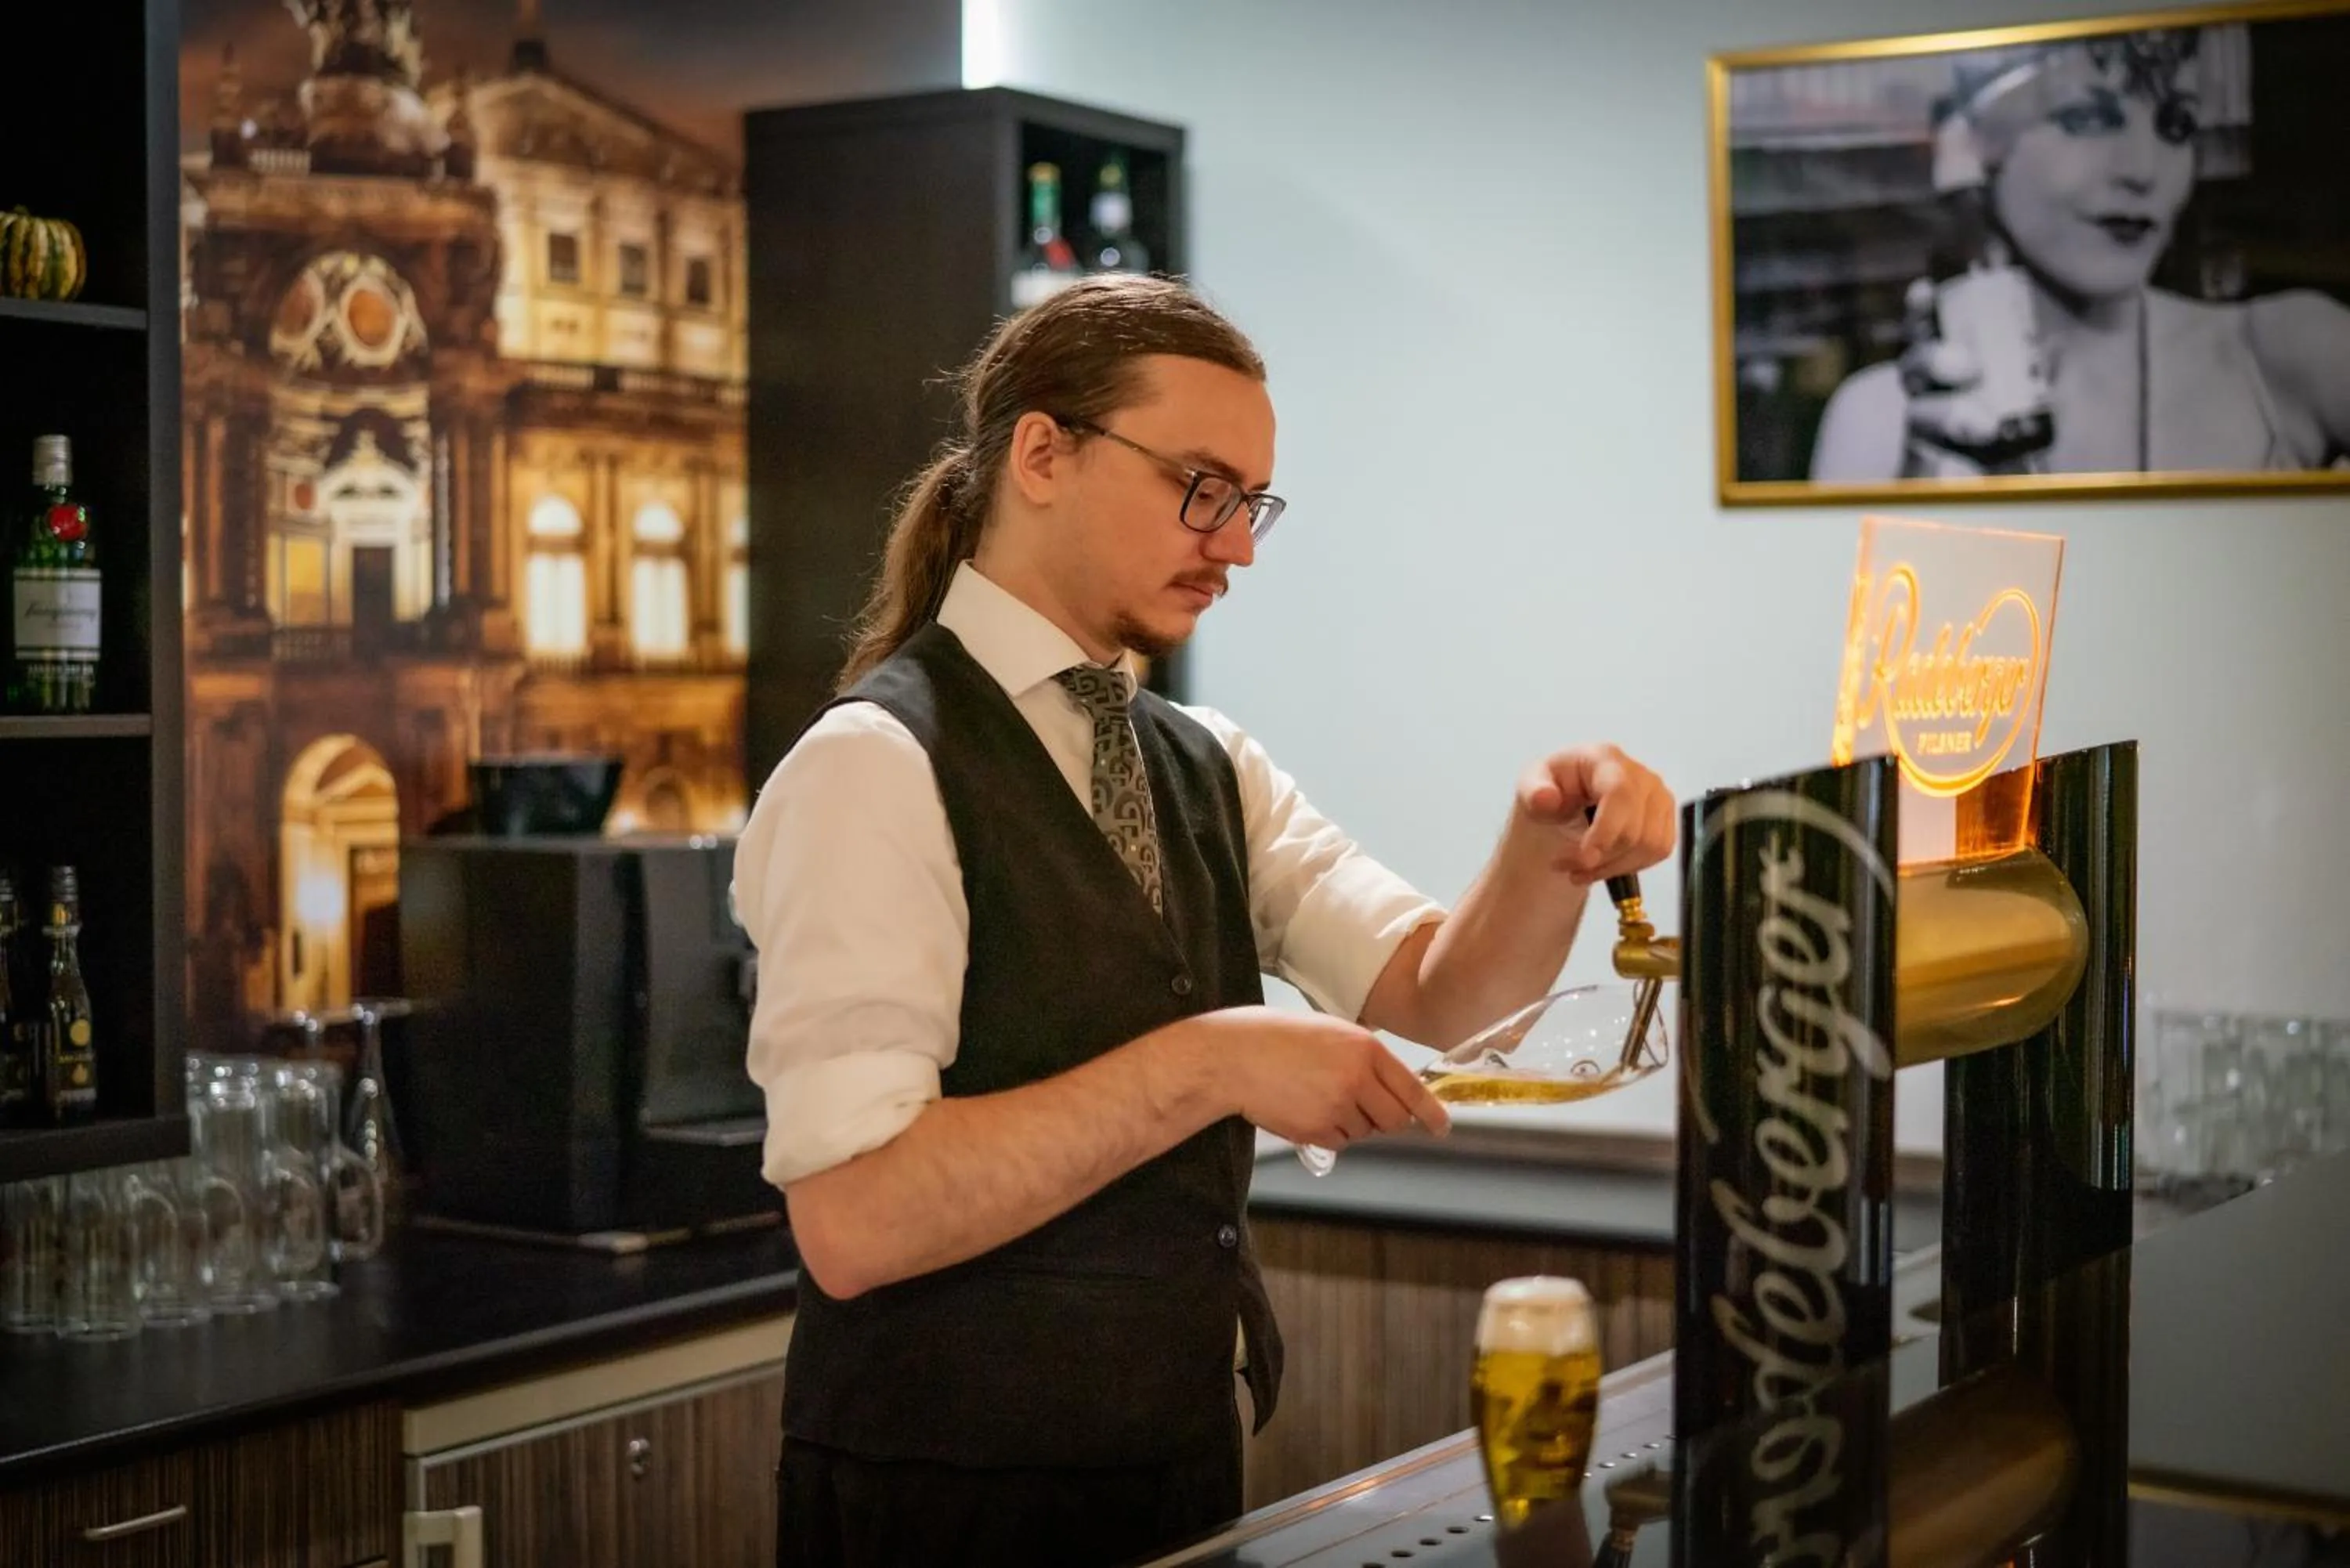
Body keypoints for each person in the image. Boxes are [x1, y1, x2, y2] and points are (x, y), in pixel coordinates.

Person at [733, 273, 1676, 1568]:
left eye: (1252, 505)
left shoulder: (1206, 761)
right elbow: (857, 1217)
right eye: (1202, 487)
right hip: (944, 1503)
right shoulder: (875, 764)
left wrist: (1547, 846)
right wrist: (1220, 1061)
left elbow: (1440, 1002)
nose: (1234, 546)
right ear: (1044, 452)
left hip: (1175, 1469)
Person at [1810, 27, 2350, 480]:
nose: (2142, 169)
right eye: (2087, 119)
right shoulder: (1879, 421)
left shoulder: (2289, 355)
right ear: (1971, 143)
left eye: (2176, 125)